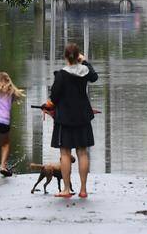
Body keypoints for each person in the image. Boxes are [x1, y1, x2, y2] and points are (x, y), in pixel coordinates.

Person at [48, 43, 98, 198]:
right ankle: (83, 190)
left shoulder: (61, 75)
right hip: (83, 117)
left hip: (65, 119)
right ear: (78, 57)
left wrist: (48, 106)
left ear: (65, 57)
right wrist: (85, 61)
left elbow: (54, 97)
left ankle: (66, 189)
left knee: (65, 153)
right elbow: (94, 77)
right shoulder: (85, 72)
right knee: (82, 152)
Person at [0, 71, 25, 177]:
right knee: (5, 143)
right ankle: (3, 166)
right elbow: (15, 99)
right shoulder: (10, 90)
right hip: (4, 121)